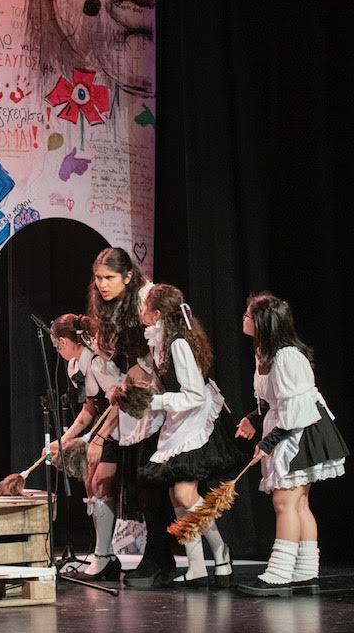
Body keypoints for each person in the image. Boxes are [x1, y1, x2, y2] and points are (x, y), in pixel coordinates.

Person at [236, 293, 348, 596]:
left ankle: (280, 573)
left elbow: (296, 411)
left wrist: (268, 443)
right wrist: (253, 420)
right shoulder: (265, 353)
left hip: (301, 431)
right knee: (298, 503)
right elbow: (274, 401)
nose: (244, 318)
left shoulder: (287, 357)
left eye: (248, 315)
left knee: (285, 502)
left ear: (263, 322)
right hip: (288, 426)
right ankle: (305, 570)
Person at [134, 285, 237, 588]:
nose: (140, 310)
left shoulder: (178, 343)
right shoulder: (162, 340)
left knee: (183, 493)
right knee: (177, 494)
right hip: (179, 419)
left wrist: (155, 401)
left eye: (144, 305)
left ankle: (220, 550)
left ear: (156, 313)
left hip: (194, 418)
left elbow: (193, 394)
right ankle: (197, 565)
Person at [84, 246, 172, 588]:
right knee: (143, 482)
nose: (102, 284)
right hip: (141, 399)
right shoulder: (115, 307)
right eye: (98, 278)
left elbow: (149, 363)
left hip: (163, 395)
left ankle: (160, 558)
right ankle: (158, 558)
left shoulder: (146, 300)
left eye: (109, 277)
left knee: (153, 482)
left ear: (128, 276)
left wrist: (103, 431)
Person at [47, 312, 123, 580]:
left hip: (117, 426)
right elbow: (89, 408)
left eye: (57, 344)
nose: (57, 350)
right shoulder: (74, 366)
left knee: (100, 483)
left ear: (64, 341)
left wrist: (99, 438)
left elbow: (119, 402)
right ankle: (107, 555)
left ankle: (102, 556)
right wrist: (64, 439)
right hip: (101, 428)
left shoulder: (98, 364)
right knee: (91, 485)